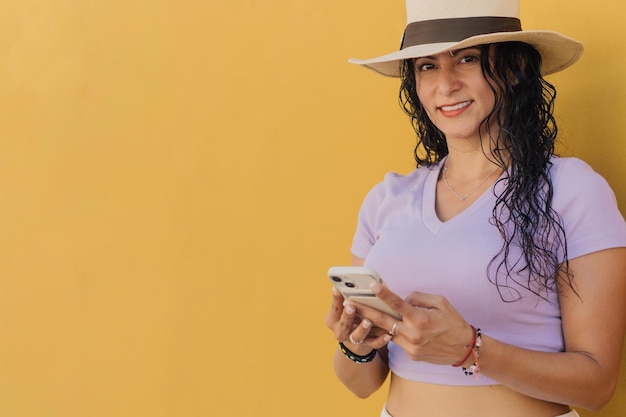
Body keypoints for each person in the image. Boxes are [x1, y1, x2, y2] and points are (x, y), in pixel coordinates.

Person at [324, 1, 626, 416]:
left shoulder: (573, 190)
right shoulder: (388, 197)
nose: (445, 85)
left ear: (514, 67)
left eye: (467, 59)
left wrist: (470, 349)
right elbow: (363, 385)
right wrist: (355, 343)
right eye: (427, 66)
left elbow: (596, 386)